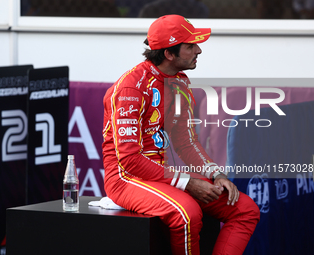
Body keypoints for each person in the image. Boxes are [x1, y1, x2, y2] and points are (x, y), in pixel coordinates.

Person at [102, 14, 260, 255]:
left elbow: (186, 142)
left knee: (245, 209)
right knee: (187, 214)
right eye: (190, 46)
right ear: (168, 53)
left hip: (165, 176)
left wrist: (215, 173)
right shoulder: (131, 88)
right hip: (126, 179)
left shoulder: (180, 82)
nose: (199, 50)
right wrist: (186, 182)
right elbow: (130, 160)